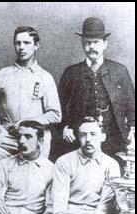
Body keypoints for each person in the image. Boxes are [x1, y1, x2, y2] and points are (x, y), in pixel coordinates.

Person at [56, 17, 135, 162]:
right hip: (80, 141)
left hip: (114, 141)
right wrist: (65, 127)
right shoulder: (71, 73)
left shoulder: (119, 71)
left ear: (105, 44)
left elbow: (132, 105)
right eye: (87, 43)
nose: (91, 47)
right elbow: (59, 105)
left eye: (96, 42)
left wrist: (132, 128)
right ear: (82, 44)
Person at [0, 26, 61, 159]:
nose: (21, 47)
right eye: (18, 43)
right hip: (7, 138)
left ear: (36, 45)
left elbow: (55, 115)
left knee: (31, 176)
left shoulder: (45, 77)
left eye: (26, 43)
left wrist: (27, 122)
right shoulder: (2, 74)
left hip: (35, 138)